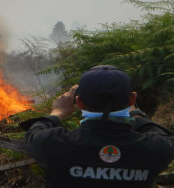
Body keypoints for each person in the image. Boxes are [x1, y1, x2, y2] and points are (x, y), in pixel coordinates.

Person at [20, 65, 174, 188]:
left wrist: (58, 112)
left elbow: (34, 133)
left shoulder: (56, 144)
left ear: (79, 103)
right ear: (132, 99)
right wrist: (135, 114)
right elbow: (160, 136)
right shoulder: (154, 148)